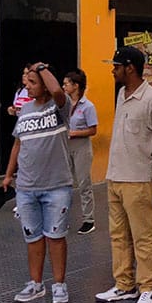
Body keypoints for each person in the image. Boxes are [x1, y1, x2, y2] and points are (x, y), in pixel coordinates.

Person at [95, 47, 152, 303]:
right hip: (115, 175)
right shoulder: (121, 94)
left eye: (116, 65)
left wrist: (149, 159)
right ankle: (124, 284)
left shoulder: (151, 98)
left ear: (130, 67)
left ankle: (148, 288)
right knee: (118, 235)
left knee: (142, 236)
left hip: (137, 178)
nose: (113, 69)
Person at [2, 62, 73, 303]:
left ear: (44, 84)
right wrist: (9, 175)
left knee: (56, 237)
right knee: (32, 238)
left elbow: (57, 91)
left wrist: (41, 68)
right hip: (26, 187)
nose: (27, 86)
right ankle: (36, 284)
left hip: (56, 186)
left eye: (32, 83)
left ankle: (60, 285)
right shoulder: (25, 110)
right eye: (26, 82)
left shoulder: (60, 107)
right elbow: (18, 144)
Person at [63, 69, 98, 234]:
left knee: (84, 183)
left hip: (81, 146)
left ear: (76, 86)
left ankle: (88, 219)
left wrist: (75, 133)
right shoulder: (64, 104)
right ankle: (62, 218)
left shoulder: (87, 106)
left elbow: (93, 130)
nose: (63, 86)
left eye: (66, 83)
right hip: (66, 146)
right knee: (64, 183)